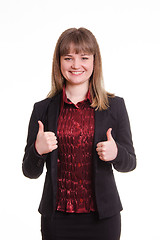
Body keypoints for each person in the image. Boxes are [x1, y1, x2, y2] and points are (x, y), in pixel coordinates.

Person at [22, 27, 136, 240]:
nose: (76, 65)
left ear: (94, 61)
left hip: (103, 220)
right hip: (56, 220)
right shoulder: (42, 109)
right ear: (59, 62)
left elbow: (130, 163)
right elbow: (29, 171)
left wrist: (116, 153)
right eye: (68, 58)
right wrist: (38, 150)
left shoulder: (115, 107)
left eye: (84, 57)